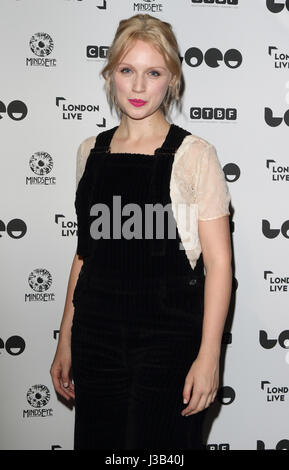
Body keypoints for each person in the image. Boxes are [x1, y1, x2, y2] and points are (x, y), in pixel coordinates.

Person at [50, 13, 232, 450]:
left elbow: (220, 265)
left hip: (169, 343)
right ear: (110, 73)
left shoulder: (195, 155)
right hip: (96, 339)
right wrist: (65, 341)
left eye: (153, 73)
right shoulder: (89, 151)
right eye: (127, 70)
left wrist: (209, 357)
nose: (137, 86)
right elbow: (84, 255)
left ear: (172, 80)